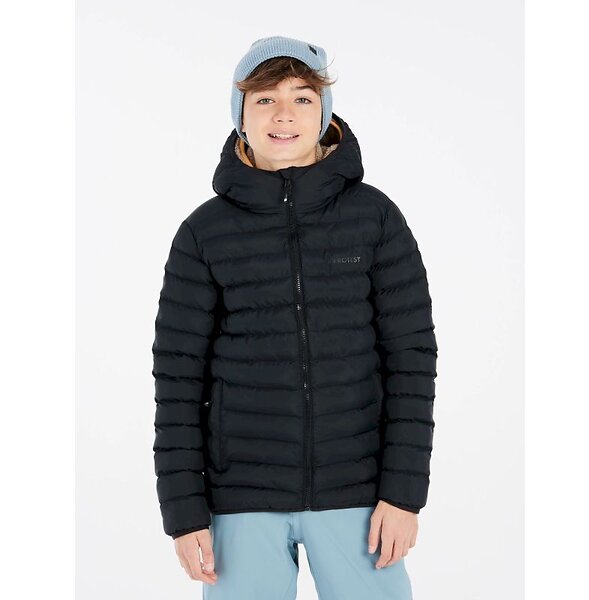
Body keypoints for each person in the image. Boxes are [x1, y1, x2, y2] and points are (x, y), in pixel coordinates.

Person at [152, 35, 437, 599]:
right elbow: (178, 379)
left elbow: (411, 360)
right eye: (265, 99)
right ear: (241, 116)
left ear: (323, 113)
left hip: (358, 494)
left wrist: (403, 495)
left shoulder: (375, 218)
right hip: (242, 498)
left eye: (302, 98)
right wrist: (184, 514)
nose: (284, 115)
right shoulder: (204, 233)